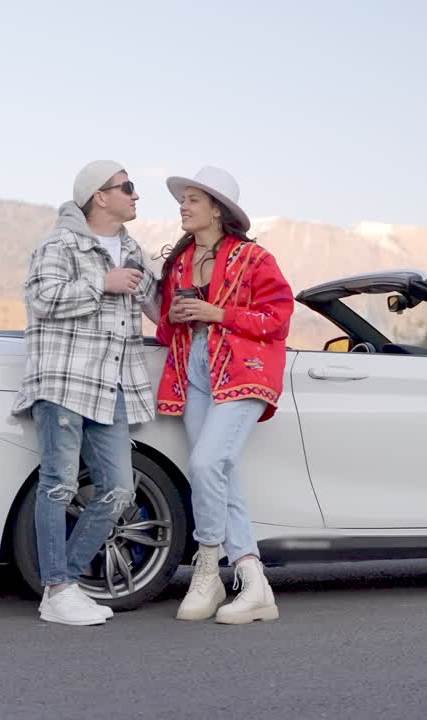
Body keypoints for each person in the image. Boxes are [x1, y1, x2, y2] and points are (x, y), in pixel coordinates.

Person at [12, 160, 160, 626]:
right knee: (57, 486)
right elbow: (41, 296)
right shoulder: (61, 243)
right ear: (100, 196)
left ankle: (65, 583)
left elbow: (161, 309)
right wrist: (103, 282)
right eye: (127, 187)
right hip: (65, 382)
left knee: (118, 491)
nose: (136, 195)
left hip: (114, 385)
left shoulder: (133, 250)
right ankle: (57, 590)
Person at [154, 166, 294, 624]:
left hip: (242, 368)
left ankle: (209, 568)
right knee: (220, 473)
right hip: (192, 365)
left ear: (217, 208)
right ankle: (254, 583)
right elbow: (164, 328)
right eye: (184, 199)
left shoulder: (254, 258)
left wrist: (218, 312)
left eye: (193, 199)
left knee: (207, 463)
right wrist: (174, 313)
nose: (184, 205)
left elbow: (277, 317)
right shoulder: (179, 260)